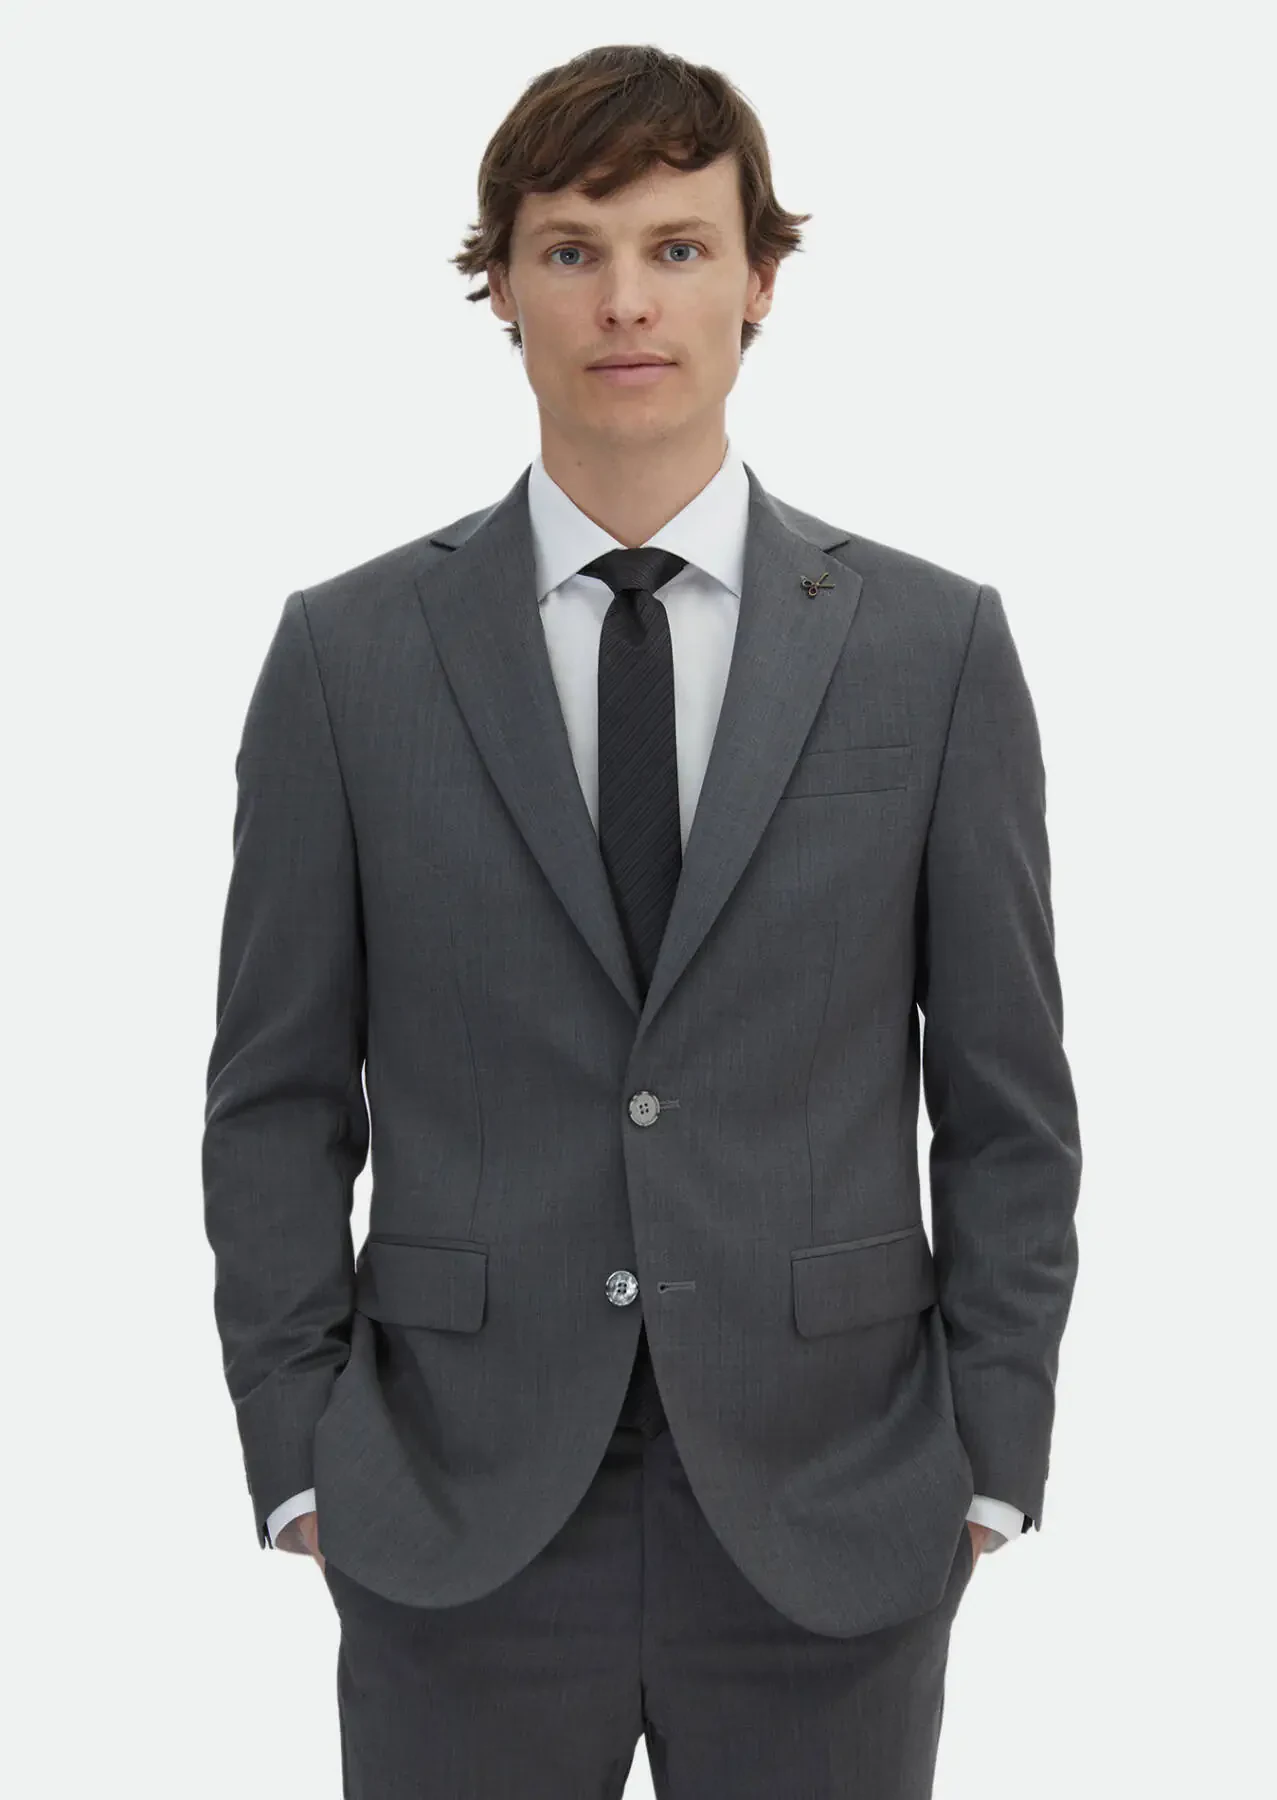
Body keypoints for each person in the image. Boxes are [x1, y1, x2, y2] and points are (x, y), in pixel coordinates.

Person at [203, 41, 1081, 1799]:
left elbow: (1007, 1105)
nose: (626, 300)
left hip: (836, 1502)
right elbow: (276, 1097)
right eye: (572, 248)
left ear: (760, 281)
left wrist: (991, 1455)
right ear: (502, 285)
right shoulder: (346, 658)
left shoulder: (933, 649)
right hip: (452, 1507)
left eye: (679, 247)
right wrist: (301, 1451)